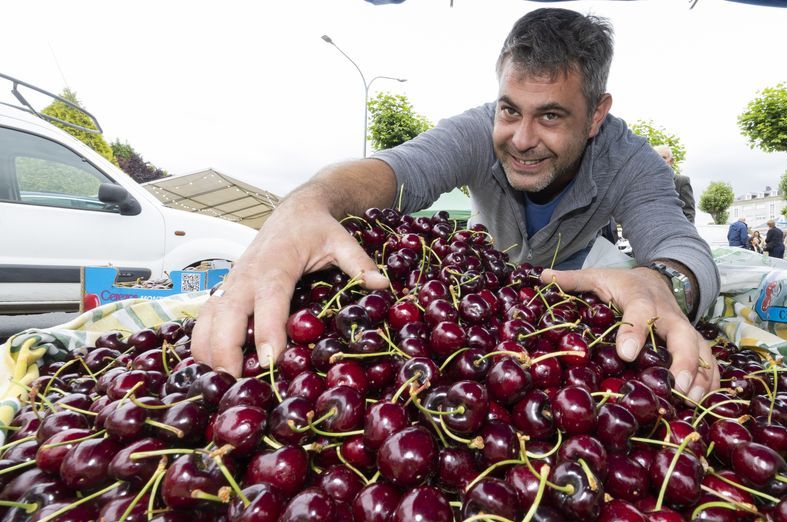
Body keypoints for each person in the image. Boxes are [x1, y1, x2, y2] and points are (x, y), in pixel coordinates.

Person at [191, 8, 720, 401]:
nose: (522, 137)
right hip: (480, 301)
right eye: (510, 109)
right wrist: (307, 203)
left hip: (568, 307)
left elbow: (678, 245)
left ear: (597, 114)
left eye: (552, 116)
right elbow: (397, 170)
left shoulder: (632, 160)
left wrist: (663, 281)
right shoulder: (477, 130)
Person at [653, 145, 695, 223]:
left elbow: (689, 214)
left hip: (674, 232)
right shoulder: (644, 182)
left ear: (671, 161)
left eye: (663, 158)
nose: (659, 160)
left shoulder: (681, 181)